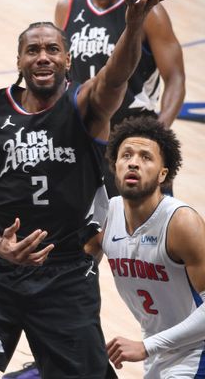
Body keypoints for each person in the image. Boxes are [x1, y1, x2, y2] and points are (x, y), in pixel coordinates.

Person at [0, 0, 168, 378]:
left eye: (52, 49)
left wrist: (133, 25)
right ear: (20, 61)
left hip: (64, 273)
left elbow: (117, 75)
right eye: (33, 50)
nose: (43, 56)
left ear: (67, 59)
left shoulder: (86, 107)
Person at [55, 0, 185, 195]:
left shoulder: (151, 12)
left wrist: (158, 133)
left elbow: (176, 78)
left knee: (149, 230)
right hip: (86, 139)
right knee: (92, 229)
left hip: (134, 141)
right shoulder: (67, 6)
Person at [89, 116, 205, 376]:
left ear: (163, 174)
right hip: (160, 352)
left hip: (198, 350)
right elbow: (73, 273)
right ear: (115, 165)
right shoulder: (106, 215)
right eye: (126, 155)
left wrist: (147, 346)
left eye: (145, 157)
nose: (133, 162)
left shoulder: (181, 222)